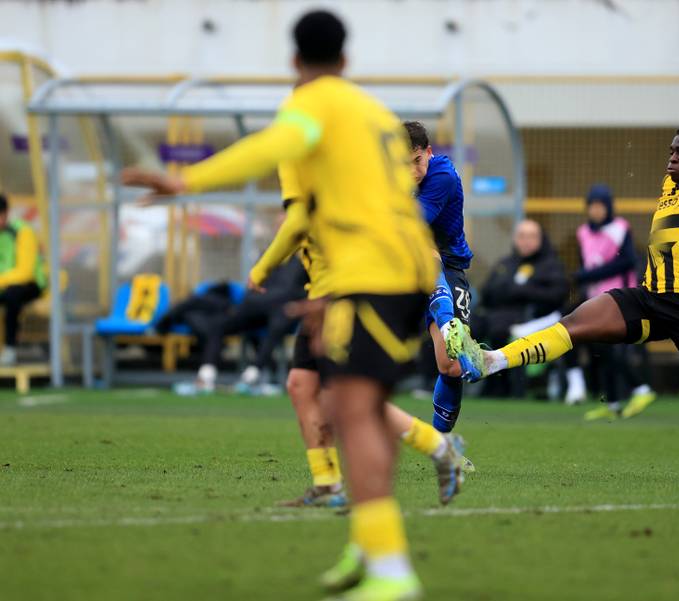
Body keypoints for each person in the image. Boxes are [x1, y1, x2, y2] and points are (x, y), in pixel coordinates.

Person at [122, 10, 441, 600]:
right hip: (407, 268)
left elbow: (278, 144)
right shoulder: (372, 114)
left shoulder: (313, 105)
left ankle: (393, 574)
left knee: (350, 410)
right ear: (347, 59)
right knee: (358, 407)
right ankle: (368, 548)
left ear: (294, 62)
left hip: (367, 274)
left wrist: (186, 182)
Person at [447, 95, 679, 483]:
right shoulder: (671, 187)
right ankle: (490, 362)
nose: (671, 158)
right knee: (574, 322)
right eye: (671, 151)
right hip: (651, 297)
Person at [250, 161, 465, 510]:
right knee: (303, 385)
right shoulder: (314, 178)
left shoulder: (327, 183)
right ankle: (328, 483)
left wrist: (261, 268)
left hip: (343, 301)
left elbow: (298, 224)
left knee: (351, 399)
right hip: (322, 298)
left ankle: (438, 449)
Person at [403, 121, 473, 433]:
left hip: (447, 267)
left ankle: (442, 445)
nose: (412, 171)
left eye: (416, 161)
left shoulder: (442, 174)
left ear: (428, 153)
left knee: (451, 365)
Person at [569, 184, 656, 418]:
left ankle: (642, 389)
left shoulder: (620, 229)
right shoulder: (583, 233)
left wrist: (588, 276)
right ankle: (613, 404)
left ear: (608, 207)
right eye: (592, 206)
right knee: (602, 351)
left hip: (619, 299)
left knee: (614, 351)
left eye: (600, 206)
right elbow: (585, 264)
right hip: (595, 299)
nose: (596, 211)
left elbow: (626, 261)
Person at [166, 257, 305, 395]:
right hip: (254, 306)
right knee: (219, 325)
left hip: (282, 310)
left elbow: (302, 292)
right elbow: (253, 284)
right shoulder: (268, 255)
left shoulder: (304, 261)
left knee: (278, 324)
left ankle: (252, 376)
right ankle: (206, 377)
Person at [471, 219, 568, 398]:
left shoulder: (550, 265)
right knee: (470, 326)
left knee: (499, 330)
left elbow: (557, 295)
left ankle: (502, 387)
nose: (526, 241)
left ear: (541, 239)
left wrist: (522, 290)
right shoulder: (505, 263)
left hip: (530, 319)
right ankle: (455, 379)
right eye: (522, 236)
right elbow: (487, 291)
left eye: (531, 236)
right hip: (495, 314)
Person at [0, 193, 46, 366]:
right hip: (4, 285)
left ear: (6, 213)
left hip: (32, 285)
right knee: (10, 293)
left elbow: (25, 272)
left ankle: (10, 349)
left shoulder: (22, 231)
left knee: (13, 296)